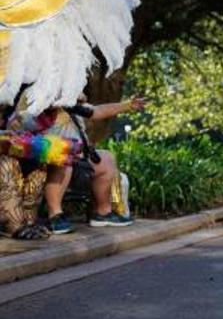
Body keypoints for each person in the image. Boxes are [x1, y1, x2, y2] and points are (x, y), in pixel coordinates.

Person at [10, 96, 145, 233]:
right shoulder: (34, 94)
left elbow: (97, 111)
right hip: (44, 159)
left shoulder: (73, 104)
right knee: (63, 155)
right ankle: (55, 215)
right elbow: (21, 122)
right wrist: (52, 103)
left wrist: (128, 105)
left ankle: (102, 213)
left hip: (78, 159)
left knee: (107, 159)